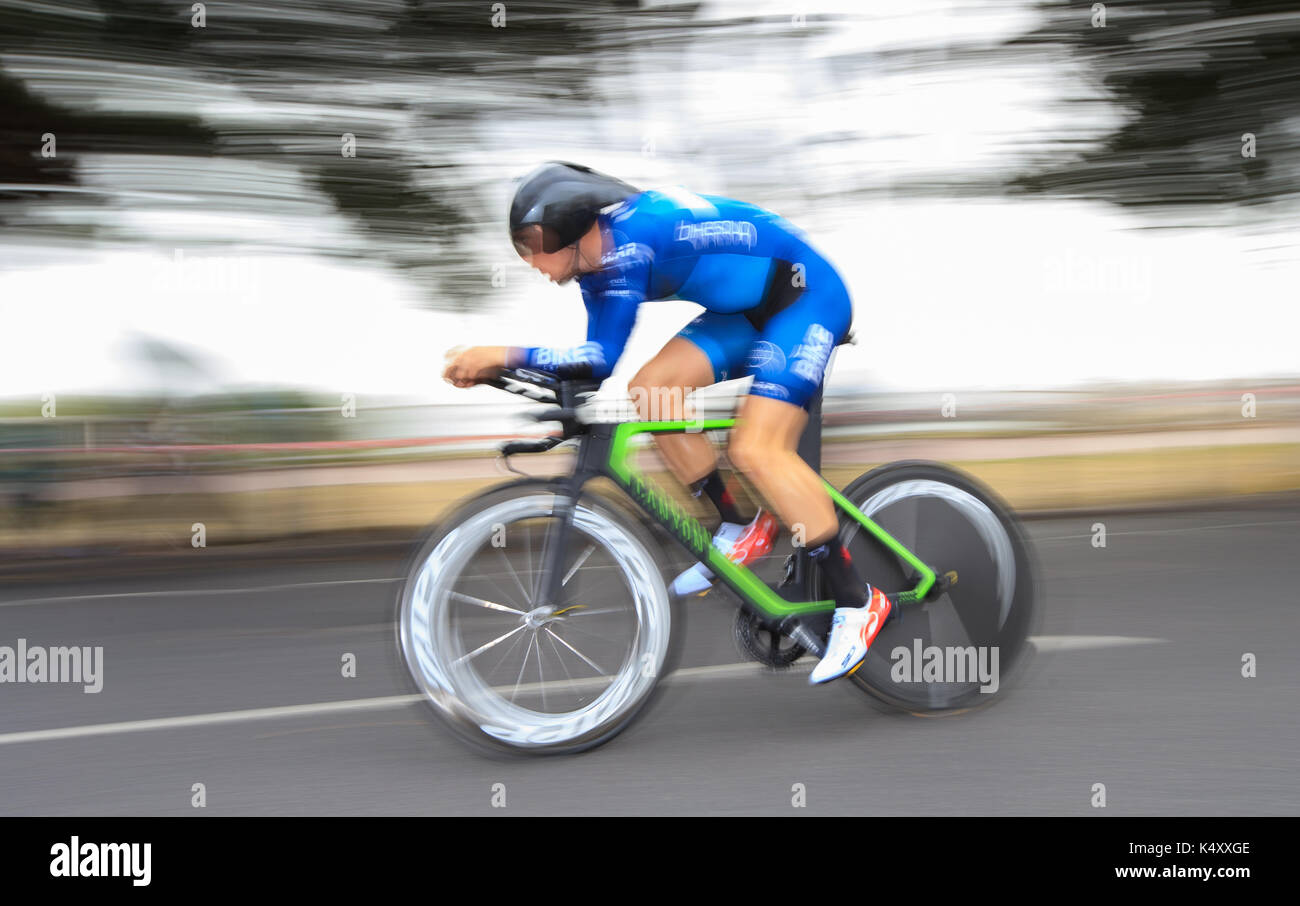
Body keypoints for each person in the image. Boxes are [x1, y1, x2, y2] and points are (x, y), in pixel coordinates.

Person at [443, 161, 897, 684]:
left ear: (569, 227)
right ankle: (739, 529)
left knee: (757, 449)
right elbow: (598, 364)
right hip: (748, 310)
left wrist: (500, 354)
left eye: (533, 244)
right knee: (652, 392)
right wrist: (505, 369)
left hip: (807, 295)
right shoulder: (595, 268)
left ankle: (860, 603)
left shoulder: (631, 246)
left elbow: (597, 359)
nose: (531, 261)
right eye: (521, 250)